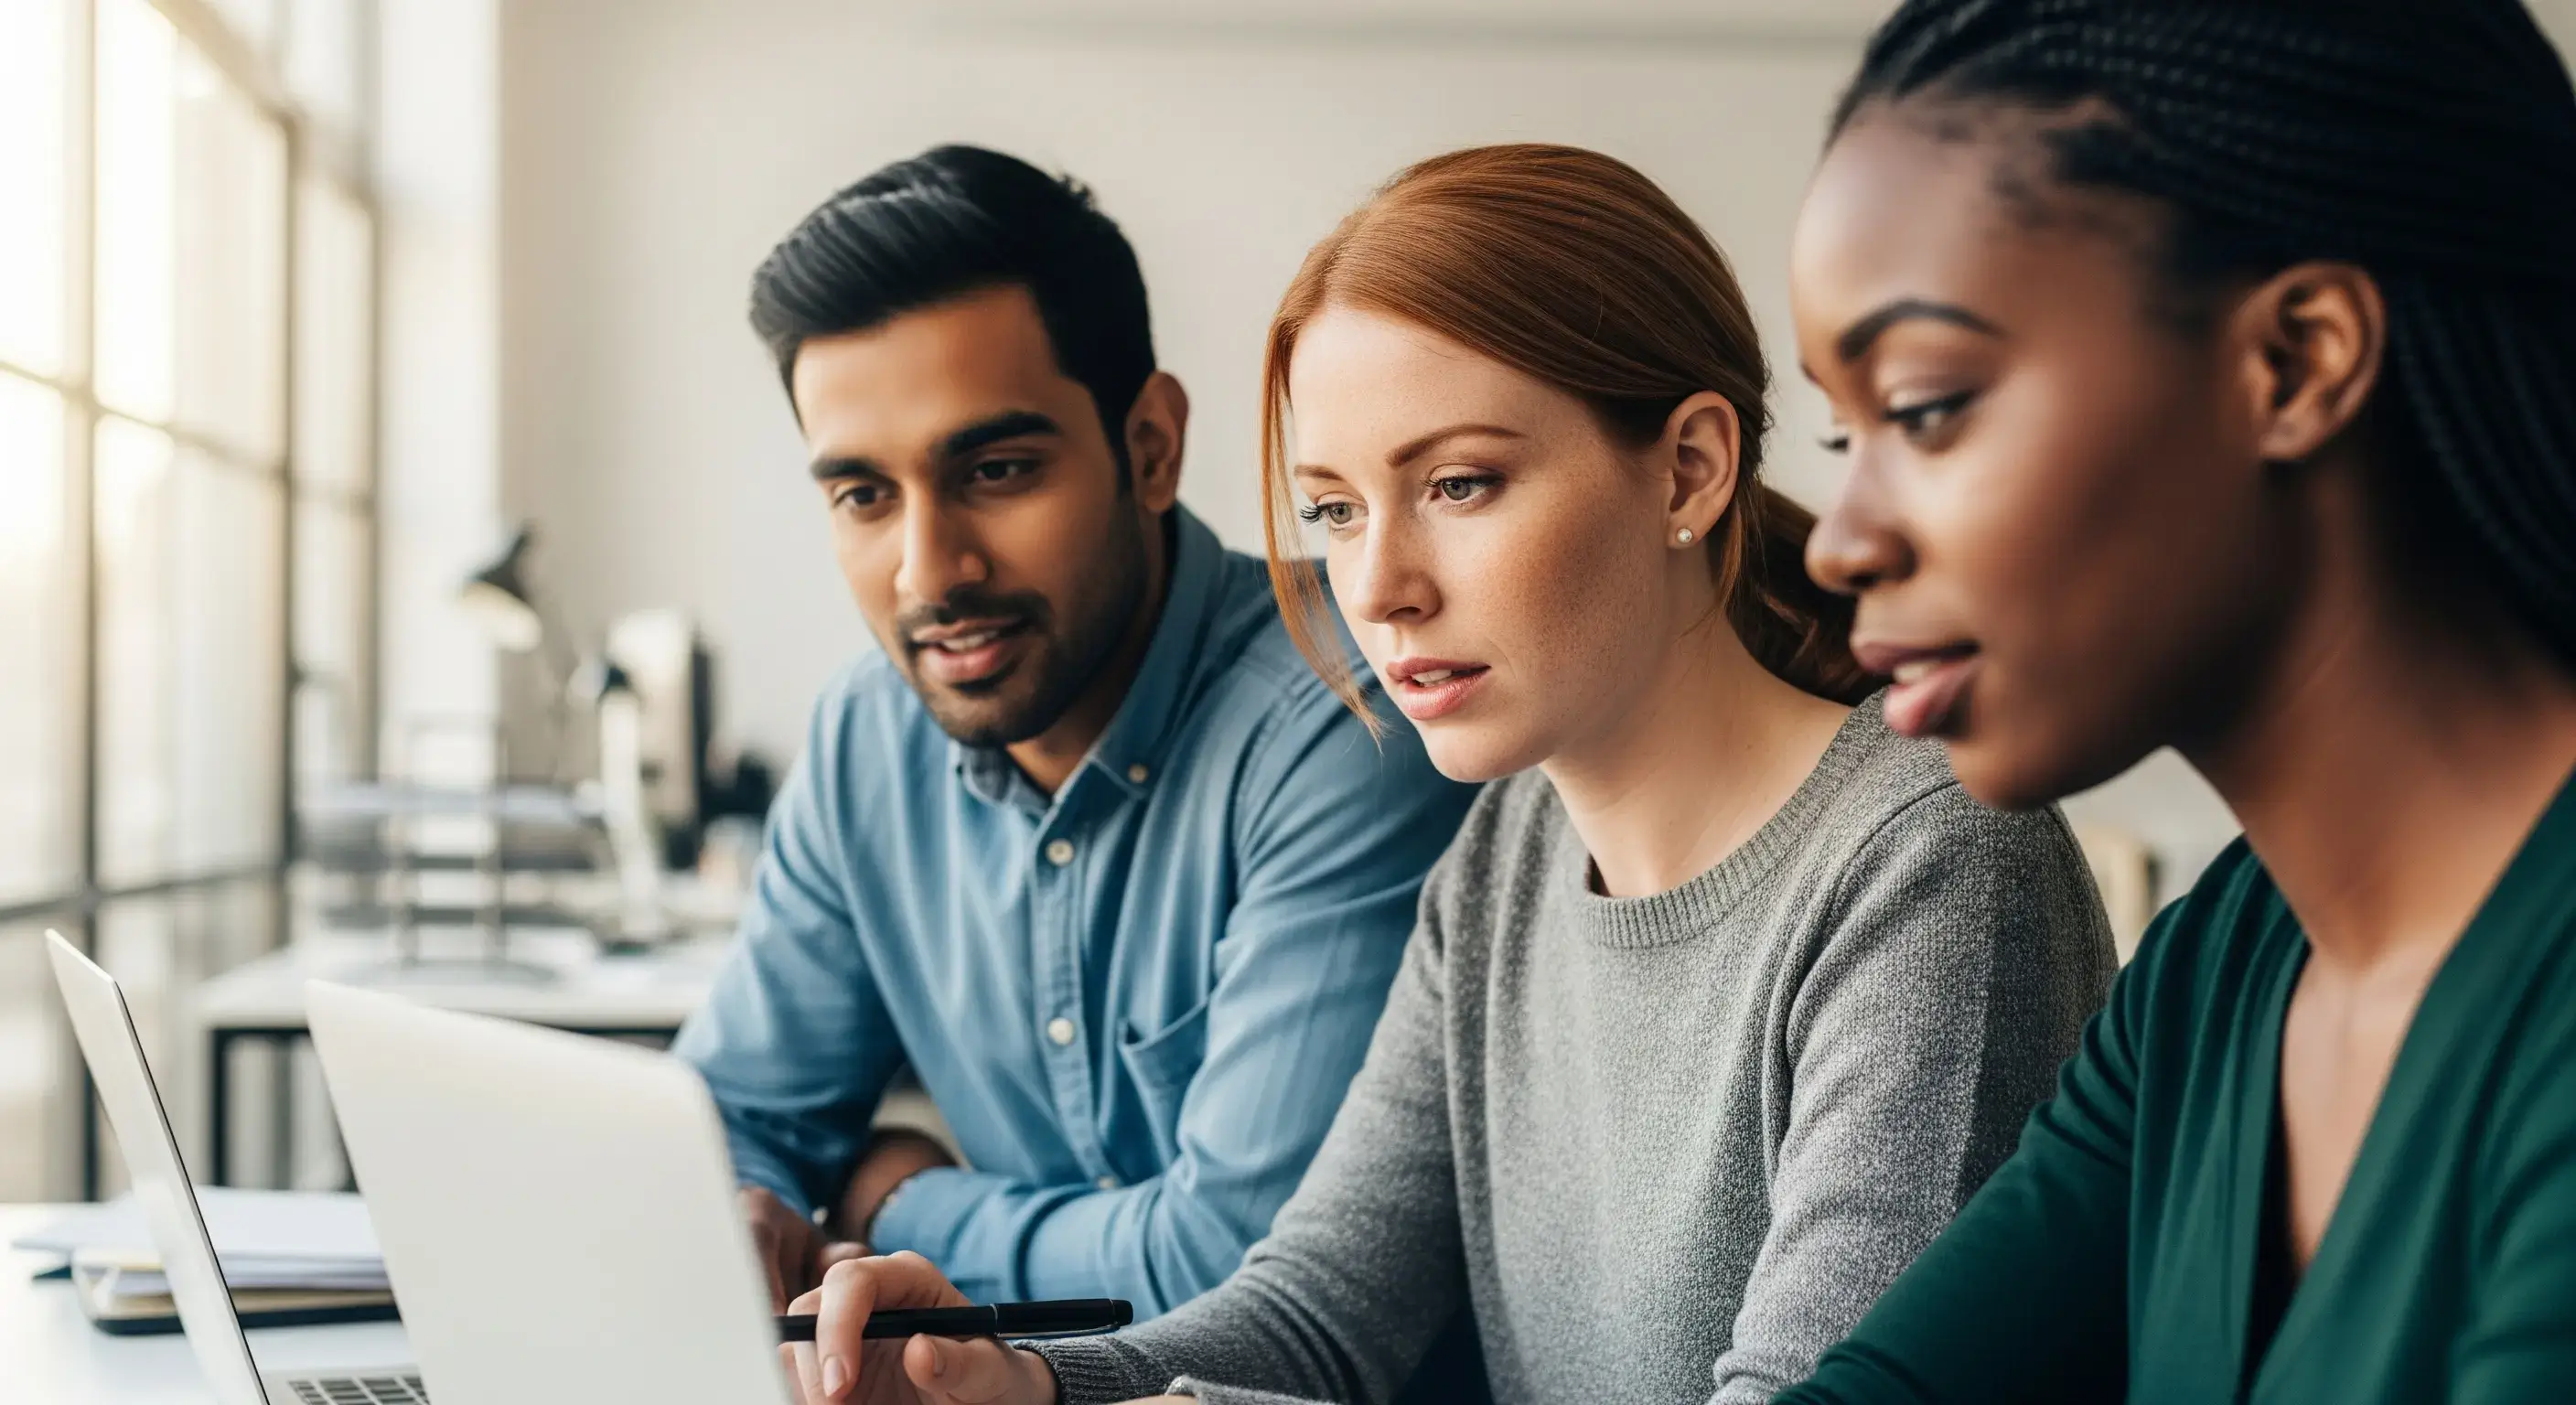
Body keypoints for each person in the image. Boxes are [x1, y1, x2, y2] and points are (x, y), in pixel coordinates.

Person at [776, 144, 2118, 1405]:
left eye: (1461, 485)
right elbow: (1318, 1312)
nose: (1378, 588)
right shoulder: (1508, 851)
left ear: (1688, 472)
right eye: (1335, 509)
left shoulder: (1933, 865)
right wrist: (1029, 1381)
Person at [1765, 1, 2576, 1400]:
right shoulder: (2225, 963)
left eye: (1928, 406)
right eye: (1847, 437)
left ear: (2296, 362)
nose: (1838, 543)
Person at [672, 145, 1477, 1323]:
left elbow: (1234, 1271)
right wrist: (741, 1204)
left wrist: (896, 1201)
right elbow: (735, 1117)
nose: (929, 572)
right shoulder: (869, 737)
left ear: (1150, 448)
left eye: (996, 470)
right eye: (863, 496)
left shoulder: (1353, 716)